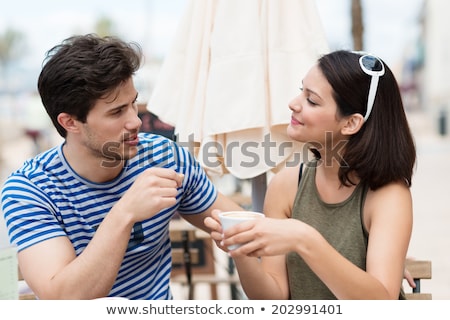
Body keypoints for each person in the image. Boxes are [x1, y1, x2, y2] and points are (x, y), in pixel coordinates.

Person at [1, 33, 242, 300]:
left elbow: (241, 226)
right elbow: (64, 300)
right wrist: (125, 212)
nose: (135, 121)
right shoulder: (31, 190)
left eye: (133, 104)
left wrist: (288, 228)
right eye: (117, 112)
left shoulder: (165, 157)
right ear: (70, 123)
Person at [205, 50, 417, 299]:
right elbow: (273, 299)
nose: (293, 104)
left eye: (312, 100)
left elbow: (380, 304)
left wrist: (304, 239)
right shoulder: (286, 184)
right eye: (301, 91)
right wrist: (240, 248)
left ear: (351, 123)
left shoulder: (388, 196)